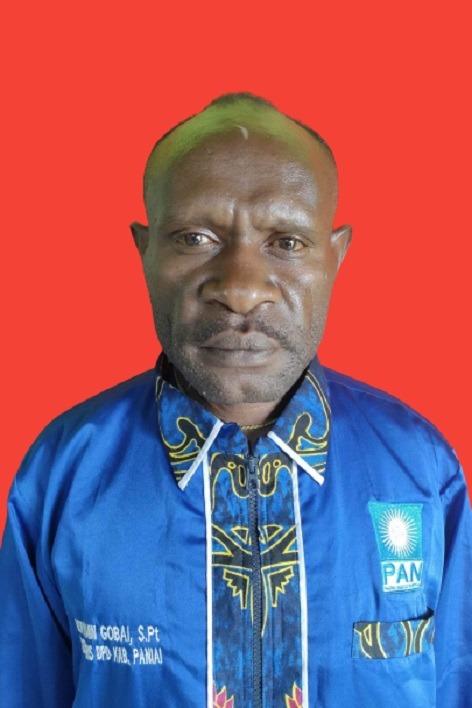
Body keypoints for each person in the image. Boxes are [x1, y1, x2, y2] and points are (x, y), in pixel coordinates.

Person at [0, 93, 470, 708]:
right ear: (145, 251)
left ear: (336, 256)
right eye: (195, 238)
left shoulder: (419, 467)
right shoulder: (66, 470)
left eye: (287, 242)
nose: (241, 289)